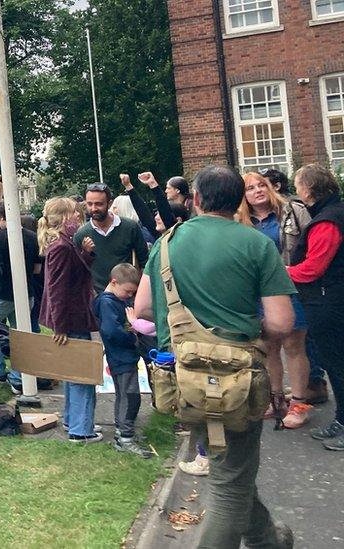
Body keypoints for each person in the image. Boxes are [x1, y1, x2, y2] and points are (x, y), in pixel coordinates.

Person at [135, 165, 296, 548]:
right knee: (229, 483)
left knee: (230, 470)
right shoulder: (255, 243)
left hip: (183, 381)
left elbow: (141, 307)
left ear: (195, 200)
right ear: (238, 199)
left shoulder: (168, 243)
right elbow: (281, 322)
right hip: (237, 382)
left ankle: (268, 541)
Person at [237, 172, 314, 428]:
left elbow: (310, 248)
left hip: (291, 288)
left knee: (294, 345)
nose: (258, 190)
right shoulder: (240, 222)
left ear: (270, 187)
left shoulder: (292, 211)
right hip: (258, 292)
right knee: (268, 347)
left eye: (262, 185)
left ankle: (299, 403)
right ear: (243, 195)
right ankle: (275, 398)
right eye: (250, 188)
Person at [286, 164, 344, 451]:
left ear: (308, 189)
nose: (297, 190)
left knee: (338, 365)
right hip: (331, 299)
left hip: (328, 302)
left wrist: (282, 272)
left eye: (298, 185)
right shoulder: (334, 213)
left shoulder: (327, 222)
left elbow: (313, 268)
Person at [38, 198, 102, 443]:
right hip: (72, 319)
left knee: (70, 373)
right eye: (76, 213)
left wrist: (87, 254)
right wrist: (61, 325)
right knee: (81, 375)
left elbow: (75, 275)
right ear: (65, 218)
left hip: (70, 317)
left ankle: (72, 419)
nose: (80, 217)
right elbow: (58, 289)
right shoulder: (62, 248)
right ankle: (80, 428)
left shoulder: (64, 244)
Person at [93, 263, 150, 457]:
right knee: (129, 395)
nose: (130, 296)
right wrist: (132, 337)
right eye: (128, 291)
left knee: (125, 394)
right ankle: (125, 436)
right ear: (114, 282)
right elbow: (111, 331)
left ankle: (123, 431)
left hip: (123, 356)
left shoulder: (115, 300)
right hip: (121, 356)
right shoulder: (108, 303)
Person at [0, 201, 41, 393]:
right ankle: (19, 376)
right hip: (26, 293)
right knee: (21, 336)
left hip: (1, 294)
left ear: (1, 218)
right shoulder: (33, 237)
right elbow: (37, 268)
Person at [74, 183, 149, 294]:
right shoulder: (81, 234)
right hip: (98, 298)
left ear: (109, 204)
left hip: (128, 296)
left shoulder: (130, 227)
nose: (93, 208)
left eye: (99, 204)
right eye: (89, 204)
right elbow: (78, 270)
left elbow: (145, 262)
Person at [120, 172, 180, 243]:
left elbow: (164, 208)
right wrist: (128, 186)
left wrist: (153, 184)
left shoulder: (177, 238)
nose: (156, 218)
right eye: (157, 214)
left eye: (161, 215)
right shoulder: (159, 236)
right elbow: (144, 213)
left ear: (178, 220)